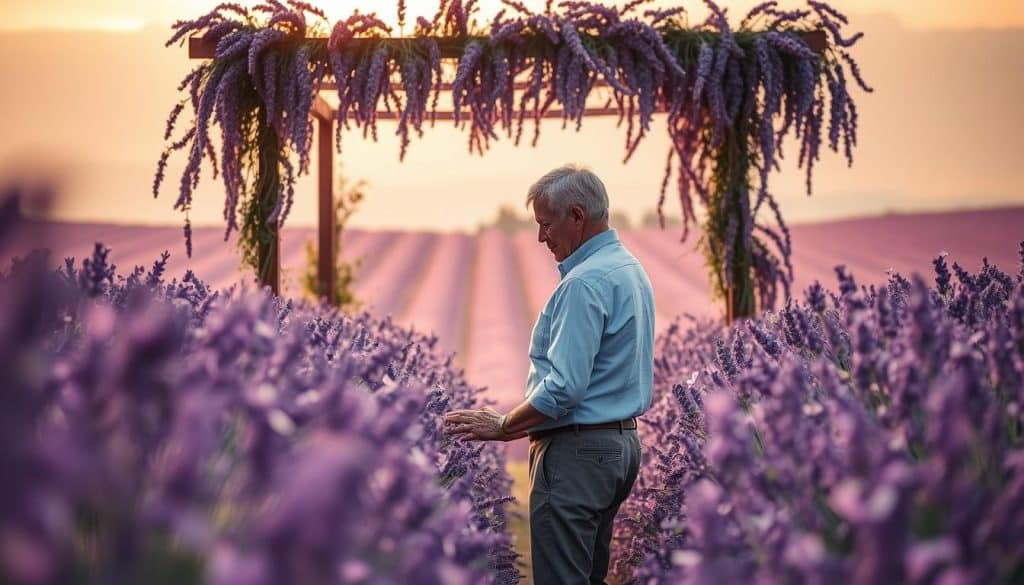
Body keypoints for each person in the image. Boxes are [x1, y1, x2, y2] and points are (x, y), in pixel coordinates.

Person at [443, 164, 655, 585]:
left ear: (576, 216)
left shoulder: (584, 283)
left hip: (578, 453)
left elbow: (564, 389)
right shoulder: (628, 268)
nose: (541, 238)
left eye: (546, 224)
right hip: (618, 448)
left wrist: (504, 426)